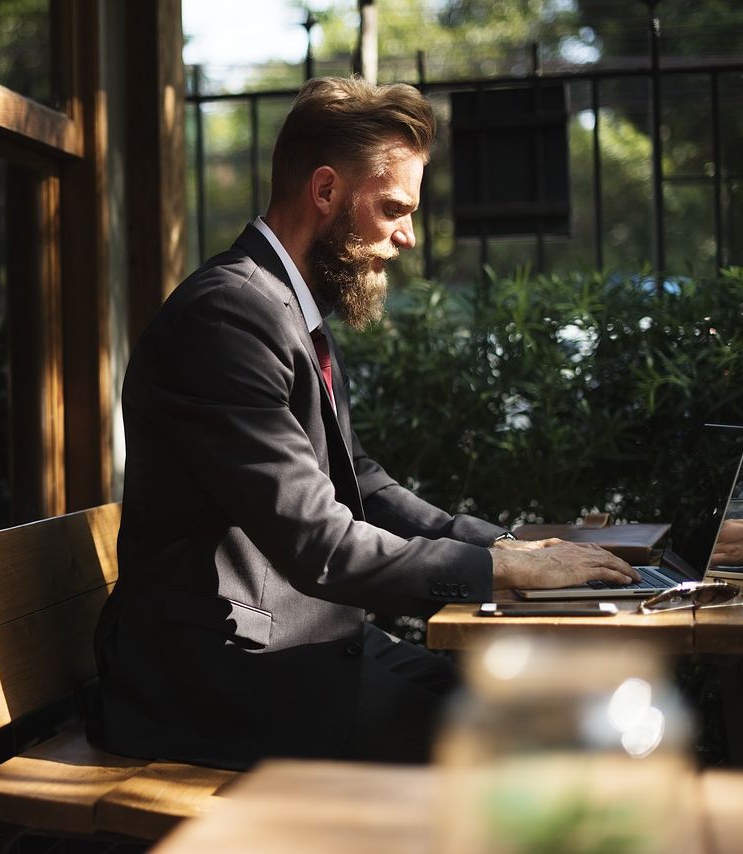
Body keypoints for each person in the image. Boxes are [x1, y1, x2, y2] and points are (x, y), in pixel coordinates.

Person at [88, 76, 639, 769]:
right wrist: (498, 567)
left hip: (302, 648)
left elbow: (363, 485)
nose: (407, 237)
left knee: (559, 710)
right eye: (393, 209)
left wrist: (510, 548)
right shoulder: (225, 317)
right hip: (218, 681)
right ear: (325, 192)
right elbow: (321, 545)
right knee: (539, 740)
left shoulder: (283, 307)